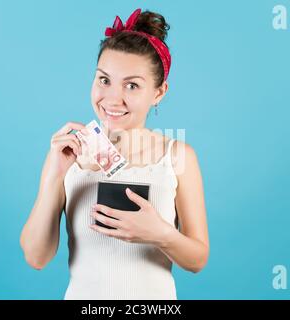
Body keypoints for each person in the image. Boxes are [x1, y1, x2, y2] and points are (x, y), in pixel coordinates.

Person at [20, 8, 210, 300]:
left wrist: (161, 235)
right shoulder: (68, 153)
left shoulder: (177, 156)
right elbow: (37, 258)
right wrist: (55, 176)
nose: (112, 98)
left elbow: (197, 260)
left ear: (159, 93)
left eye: (131, 85)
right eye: (104, 80)